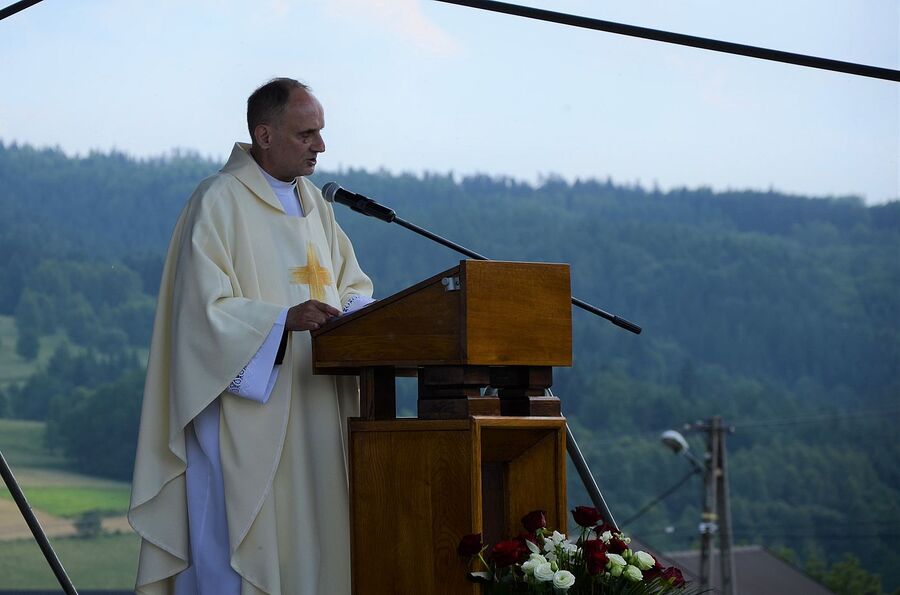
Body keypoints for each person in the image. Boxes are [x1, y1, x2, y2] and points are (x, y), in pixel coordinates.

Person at [128, 78, 373, 595]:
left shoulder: (316, 208)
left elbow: (353, 285)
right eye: (306, 133)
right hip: (246, 417)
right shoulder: (217, 202)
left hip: (315, 406)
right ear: (264, 134)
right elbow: (199, 314)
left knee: (316, 541)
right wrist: (282, 321)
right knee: (242, 544)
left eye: (321, 132)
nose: (321, 146)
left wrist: (360, 315)